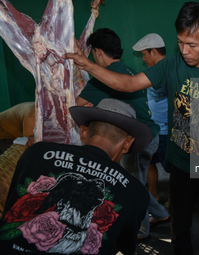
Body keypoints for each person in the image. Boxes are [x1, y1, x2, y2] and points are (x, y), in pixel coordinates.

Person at [64, 2, 199, 254]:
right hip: (181, 166)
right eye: (180, 42)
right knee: (180, 229)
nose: (184, 50)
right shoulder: (171, 65)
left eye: (192, 45)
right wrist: (88, 65)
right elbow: (128, 84)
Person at [0, 98, 151, 254]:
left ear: (84, 132)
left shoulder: (35, 153)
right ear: (128, 143)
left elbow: (11, 206)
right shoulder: (135, 192)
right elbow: (124, 248)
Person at [76, 28, 167, 239]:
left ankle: (142, 230)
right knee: (138, 182)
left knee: (132, 187)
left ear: (98, 52)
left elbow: (79, 104)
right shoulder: (130, 71)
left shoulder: (102, 78)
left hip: (135, 140)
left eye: (92, 53)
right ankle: (161, 213)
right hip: (150, 134)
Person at [132, 33, 170, 212]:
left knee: (175, 168)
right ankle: (154, 195)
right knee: (151, 163)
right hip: (154, 129)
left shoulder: (172, 69)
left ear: (153, 52)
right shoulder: (149, 74)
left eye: (145, 55)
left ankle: (178, 200)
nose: (144, 59)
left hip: (171, 131)